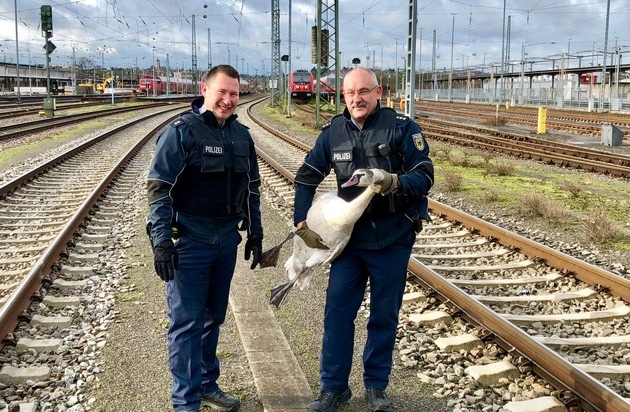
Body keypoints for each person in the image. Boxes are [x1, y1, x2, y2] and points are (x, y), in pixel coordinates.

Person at [293, 67, 434, 412]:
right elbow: (306, 177)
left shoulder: (401, 128)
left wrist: (395, 181)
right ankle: (333, 388)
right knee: (337, 314)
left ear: (378, 92)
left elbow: (425, 175)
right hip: (349, 244)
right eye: (350, 93)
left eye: (364, 91)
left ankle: (376, 387)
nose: (357, 99)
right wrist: (301, 222)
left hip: (392, 237)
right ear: (342, 96)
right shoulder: (333, 133)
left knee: (383, 316)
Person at [146, 64, 263, 412]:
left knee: (214, 317)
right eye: (222, 92)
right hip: (190, 243)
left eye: (234, 94)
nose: (228, 100)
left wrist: (255, 231)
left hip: (226, 241)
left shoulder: (242, 136)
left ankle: (207, 385)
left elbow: (252, 189)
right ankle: (186, 402)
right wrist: (161, 241)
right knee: (186, 323)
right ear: (205, 89)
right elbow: (159, 190)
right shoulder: (180, 133)